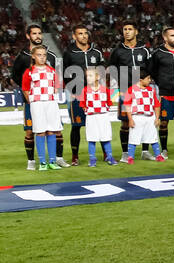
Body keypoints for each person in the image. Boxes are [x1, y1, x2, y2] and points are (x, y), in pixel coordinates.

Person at [11, 24, 62, 169]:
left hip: (49, 101)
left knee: (54, 129)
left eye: (40, 33)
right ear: (28, 36)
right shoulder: (22, 57)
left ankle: (56, 159)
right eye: (34, 33)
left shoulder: (51, 57)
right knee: (31, 130)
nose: (37, 36)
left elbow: (56, 79)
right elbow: (16, 77)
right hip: (33, 101)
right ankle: (32, 161)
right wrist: (30, 98)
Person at [109, 21, 152, 160]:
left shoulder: (144, 50)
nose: (127, 32)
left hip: (143, 92)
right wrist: (118, 89)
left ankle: (145, 151)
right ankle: (125, 153)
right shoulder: (117, 51)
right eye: (125, 29)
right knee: (125, 122)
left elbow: (149, 69)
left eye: (130, 29)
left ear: (136, 32)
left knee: (146, 120)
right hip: (125, 91)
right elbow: (112, 70)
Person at [62, 24, 105, 160]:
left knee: (100, 124)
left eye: (85, 33)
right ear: (74, 36)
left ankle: (106, 153)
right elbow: (65, 73)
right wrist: (72, 91)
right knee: (77, 125)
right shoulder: (69, 53)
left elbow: (102, 68)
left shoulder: (96, 52)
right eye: (80, 33)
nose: (84, 36)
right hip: (77, 94)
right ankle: (75, 156)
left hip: (95, 94)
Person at [148, 26, 174, 155]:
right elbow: (152, 71)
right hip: (165, 94)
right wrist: (161, 84)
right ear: (165, 38)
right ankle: (164, 149)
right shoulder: (157, 53)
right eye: (172, 35)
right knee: (163, 123)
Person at [20, 45, 64, 171]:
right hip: (37, 104)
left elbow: (56, 87)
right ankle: (42, 162)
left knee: (51, 131)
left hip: (51, 103)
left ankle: (52, 161)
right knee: (40, 131)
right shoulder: (29, 72)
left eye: (44, 55)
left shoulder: (51, 70)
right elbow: (25, 90)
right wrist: (33, 102)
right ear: (33, 56)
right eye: (39, 55)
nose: (42, 57)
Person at [123, 72, 166, 163]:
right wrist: (130, 119)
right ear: (140, 80)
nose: (149, 80)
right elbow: (127, 105)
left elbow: (156, 105)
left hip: (150, 117)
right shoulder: (131, 90)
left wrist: (157, 118)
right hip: (137, 117)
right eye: (148, 78)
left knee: (153, 136)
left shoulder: (151, 90)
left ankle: (158, 155)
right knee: (133, 137)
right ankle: (130, 157)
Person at [80, 66, 116, 166]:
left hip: (103, 117)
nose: (88, 78)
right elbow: (83, 104)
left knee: (106, 136)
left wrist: (103, 111)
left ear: (97, 77)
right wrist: (90, 111)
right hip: (91, 117)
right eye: (87, 76)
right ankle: (92, 159)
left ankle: (109, 156)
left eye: (90, 76)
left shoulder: (105, 90)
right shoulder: (85, 90)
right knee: (92, 138)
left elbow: (109, 102)